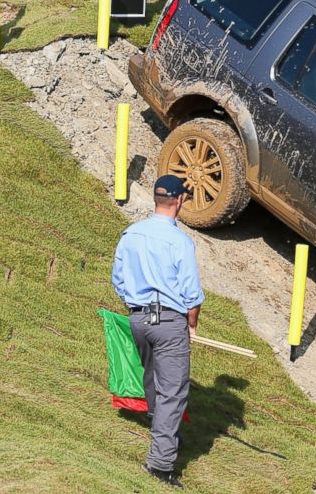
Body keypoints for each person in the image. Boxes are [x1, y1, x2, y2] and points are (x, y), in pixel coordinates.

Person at [111, 174, 205, 488]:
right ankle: (160, 464)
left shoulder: (132, 233)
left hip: (139, 319)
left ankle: (158, 424)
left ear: (156, 199)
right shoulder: (180, 241)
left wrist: (134, 305)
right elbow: (192, 296)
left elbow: (118, 280)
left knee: (152, 375)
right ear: (179, 201)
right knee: (173, 391)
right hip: (169, 322)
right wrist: (190, 324)